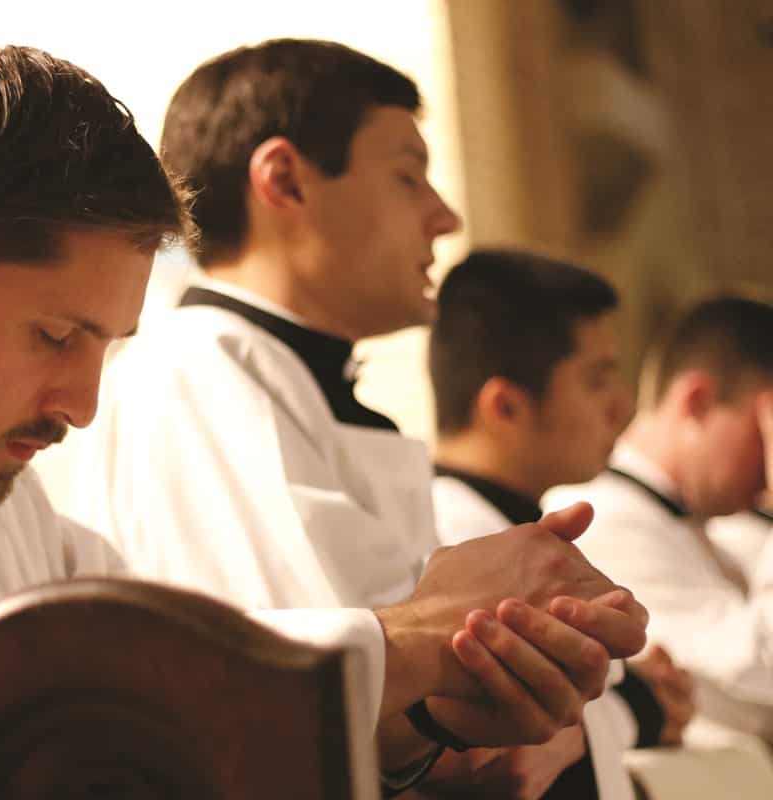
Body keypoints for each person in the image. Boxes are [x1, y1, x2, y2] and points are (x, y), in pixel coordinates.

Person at [0, 42, 644, 800]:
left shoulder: (0, 501)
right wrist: (403, 642)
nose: (85, 405)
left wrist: (444, 715)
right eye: (55, 335)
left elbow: (178, 715)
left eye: (106, 347)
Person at [63, 38, 647, 796]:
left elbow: (401, 708)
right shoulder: (195, 372)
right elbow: (297, 701)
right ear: (284, 181)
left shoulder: (285, 380)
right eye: (408, 177)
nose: (444, 216)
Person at [428, 249, 695, 797]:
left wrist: (635, 693)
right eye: (596, 380)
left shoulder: (511, 526)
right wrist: (637, 700)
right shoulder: (455, 545)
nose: (622, 406)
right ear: (505, 406)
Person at [547, 295, 773, 742]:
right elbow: (759, 679)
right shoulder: (602, 518)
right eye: (762, 428)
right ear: (700, 401)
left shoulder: (715, 526)